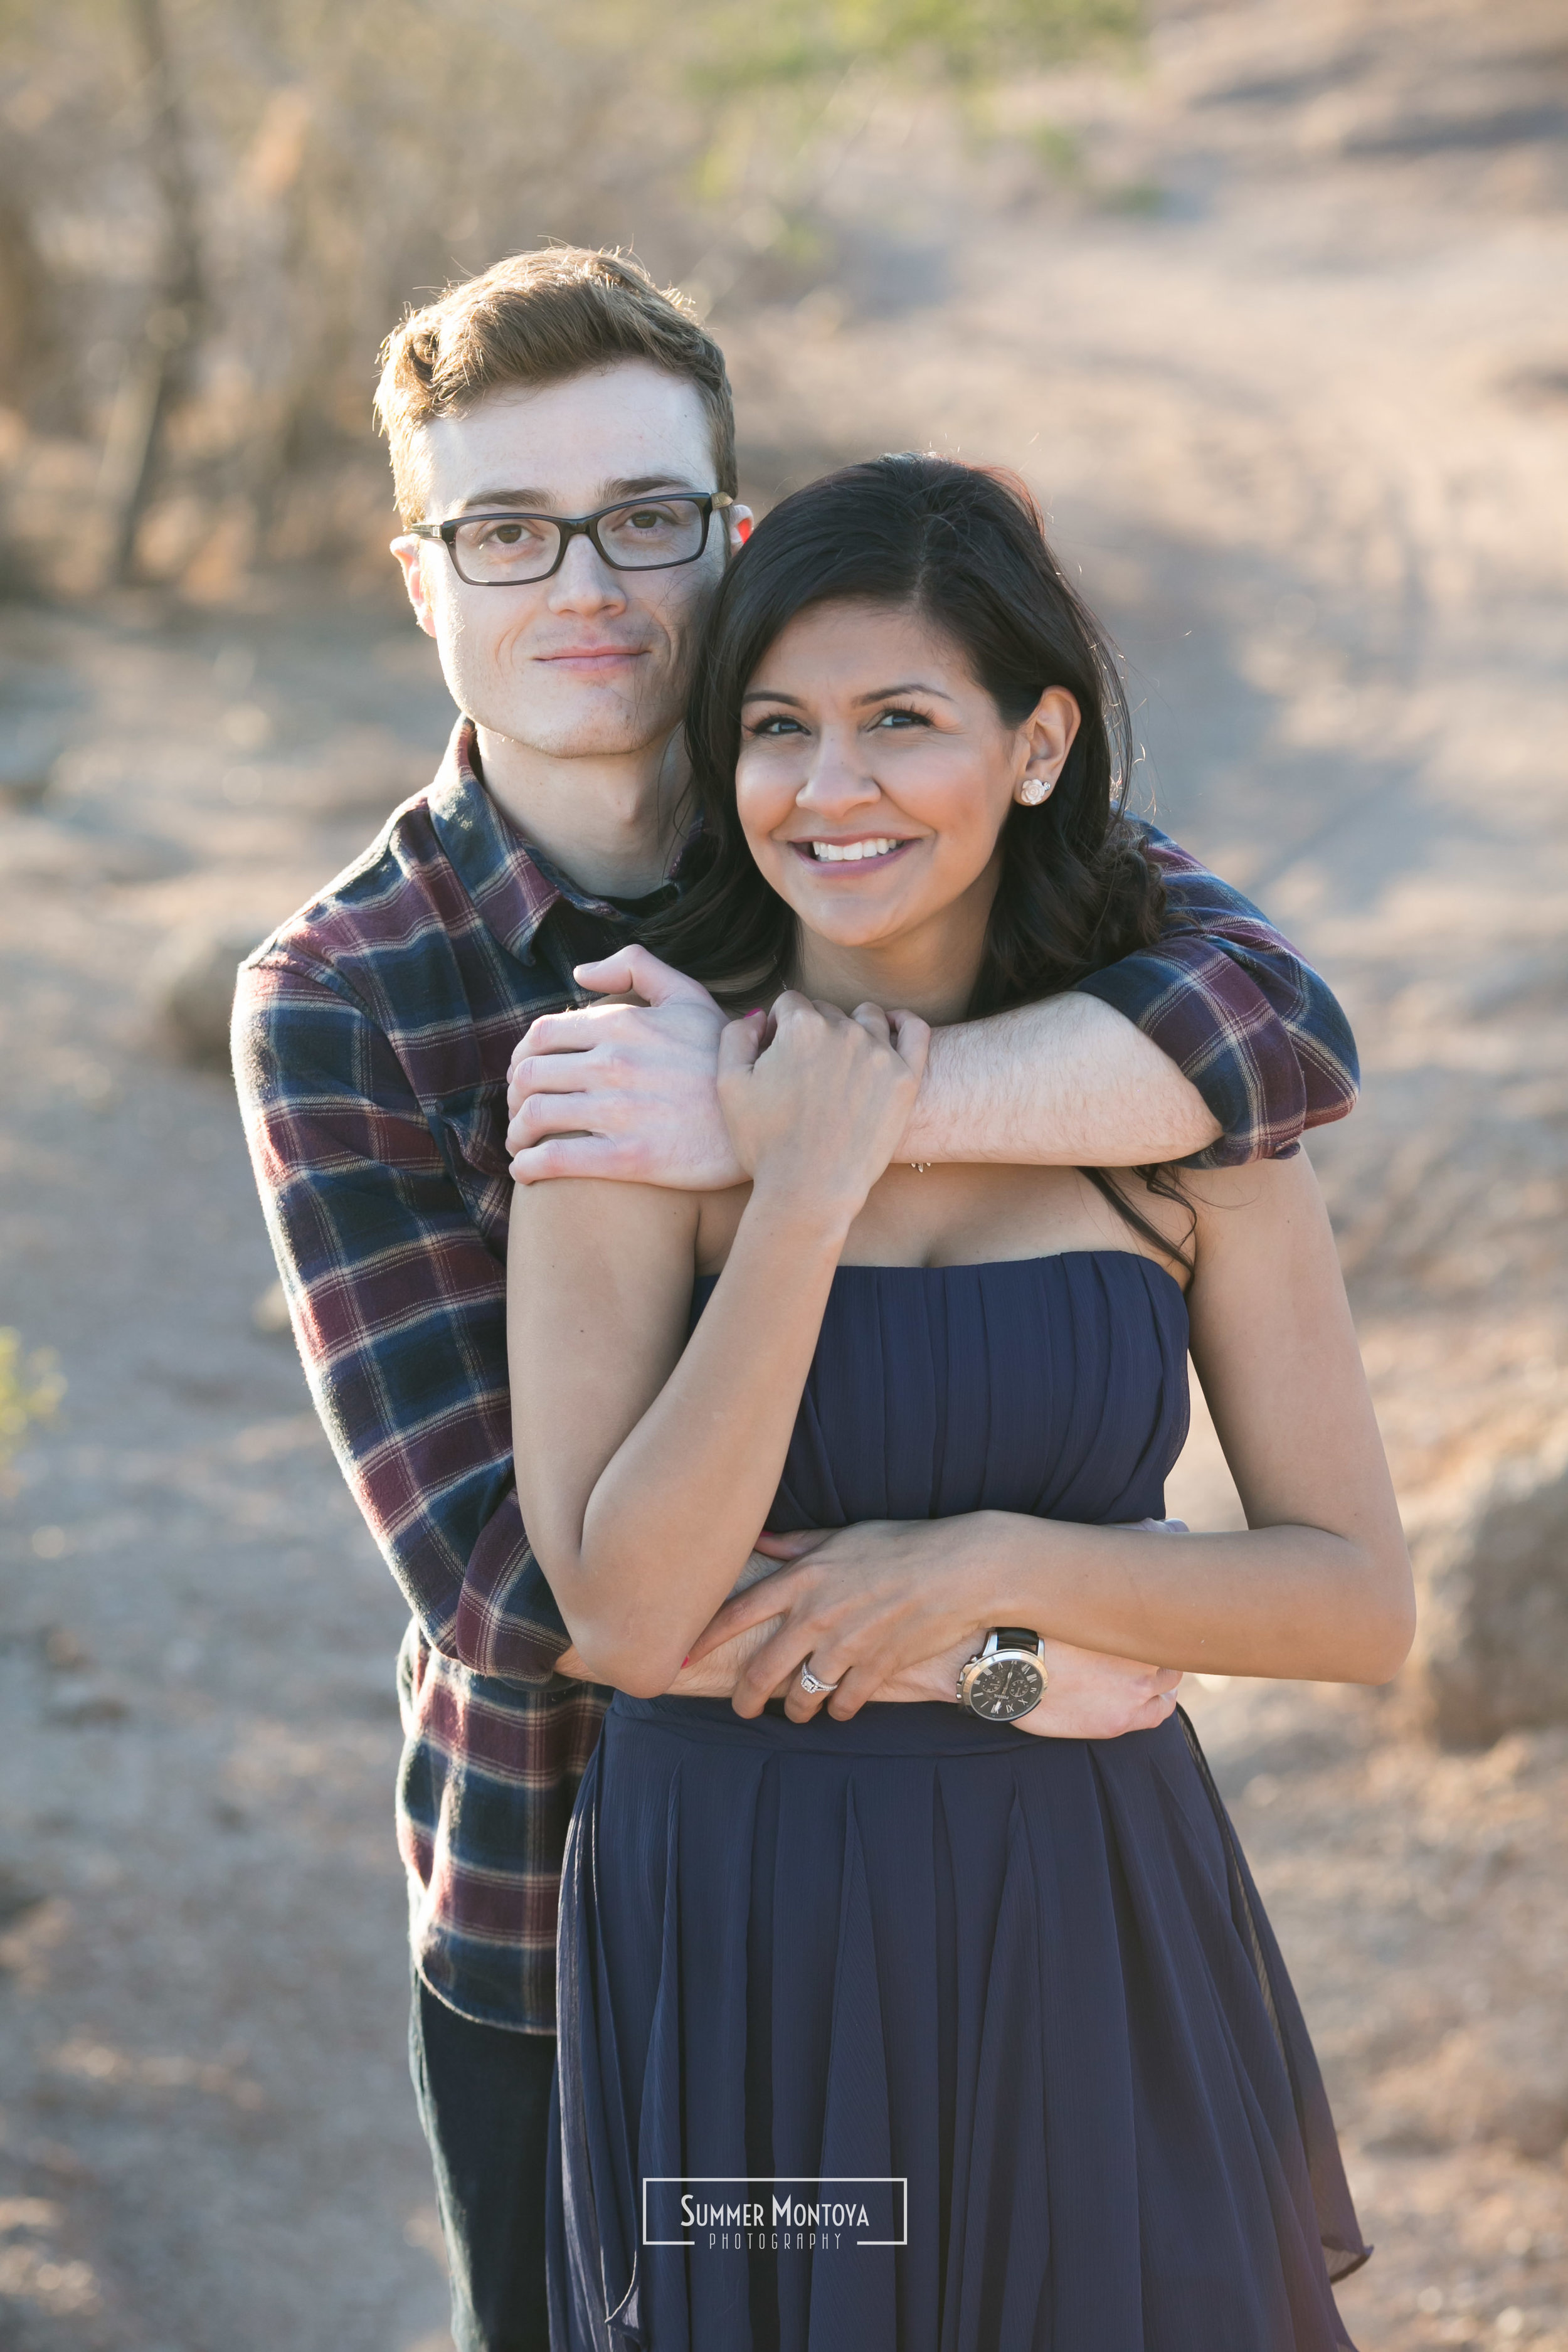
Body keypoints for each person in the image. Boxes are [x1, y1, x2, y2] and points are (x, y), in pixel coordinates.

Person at [231, 246, 1362, 2352]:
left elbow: (1271, 1030)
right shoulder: (350, 997)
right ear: (420, 580)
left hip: (1021, 1891)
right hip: (593, 1912)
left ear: (724, 533)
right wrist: (1014, 1648)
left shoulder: (898, 831)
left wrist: (783, 1120)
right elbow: (510, 1586)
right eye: (505, 530)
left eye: (645, 518)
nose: (586, 583)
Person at [511, 453, 1413, 2351]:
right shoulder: (623, 1095)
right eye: (775, 730)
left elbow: (1352, 1604)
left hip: (1086, 1906)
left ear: (1033, 742)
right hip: (738, 1922)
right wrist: (802, 1190)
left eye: (898, 722)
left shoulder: (1182, 1117)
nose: (828, 790)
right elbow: (624, 1608)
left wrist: (992, 1568)